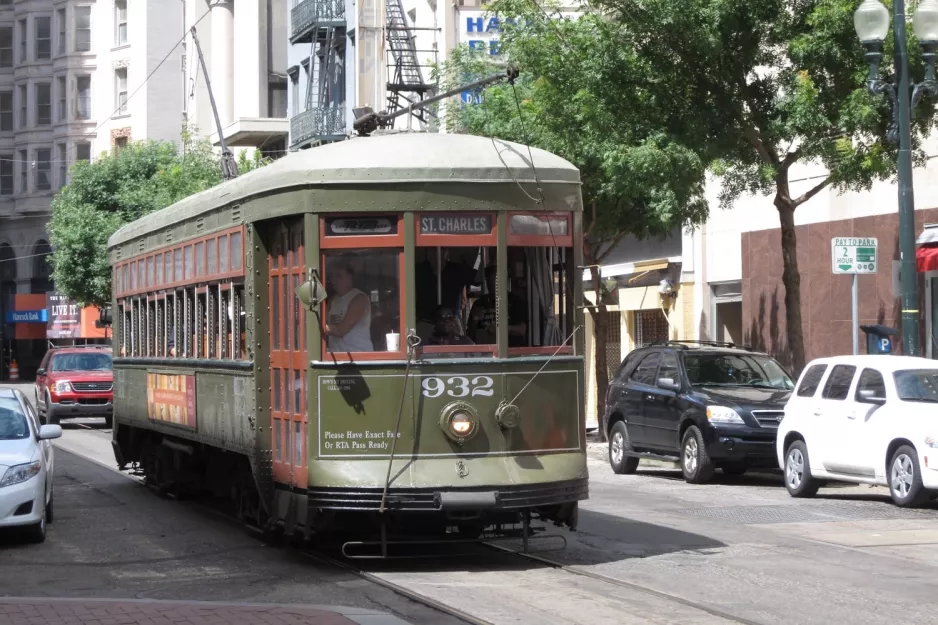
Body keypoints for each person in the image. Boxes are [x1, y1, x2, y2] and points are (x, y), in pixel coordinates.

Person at [467, 265, 528, 347]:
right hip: (486, 352)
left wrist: (501, 329)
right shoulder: (479, 303)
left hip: (510, 351)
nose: (492, 283)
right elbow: (469, 336)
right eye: (489, 279)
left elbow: (522, 330)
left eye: (495, 279)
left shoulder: (515, 301)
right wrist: (475, 320)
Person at [325, 261, 374, 352]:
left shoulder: (359, 298)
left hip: (358, 357)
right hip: (337, 357)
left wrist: (319, 326)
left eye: (339, 276)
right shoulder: (333, 300)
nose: (334, 280)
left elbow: (341, 330)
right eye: (332, 276)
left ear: (349, 277)